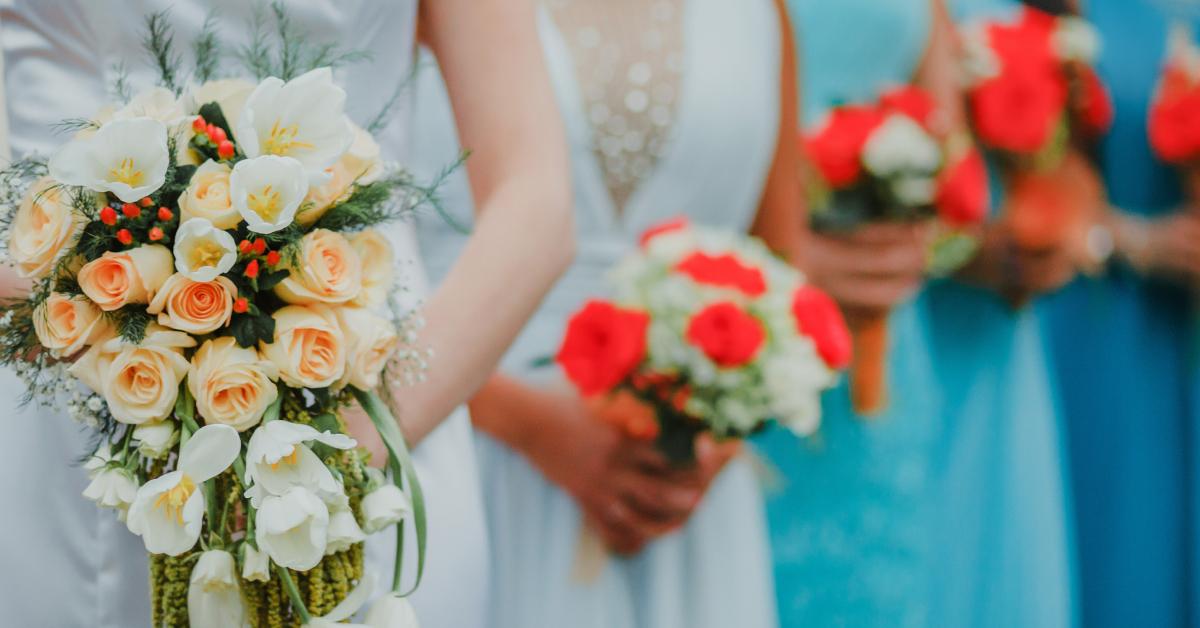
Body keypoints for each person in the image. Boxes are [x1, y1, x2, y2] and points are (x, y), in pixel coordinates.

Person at [0, 1, 572, 626]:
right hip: (73, 383)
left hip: (373, 371)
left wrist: (346, 450)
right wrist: (89, 310)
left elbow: (534, 199)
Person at [412, 0, 802, 626]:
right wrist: (534, 427)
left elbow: (780, 264)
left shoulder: (764, 12)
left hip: (678, 496)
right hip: (456, 438)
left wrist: (704, 439)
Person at [1042, 0, 1200, 625]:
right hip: (1097, 319)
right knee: (1116, 539)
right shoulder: (1068, 14)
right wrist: (1136, 240)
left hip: (1179, 339)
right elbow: (1021, 191)